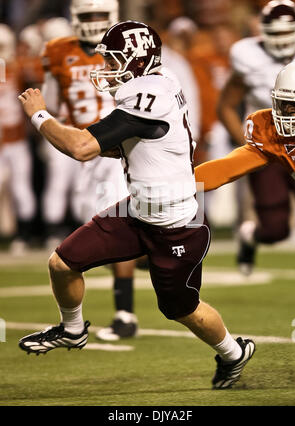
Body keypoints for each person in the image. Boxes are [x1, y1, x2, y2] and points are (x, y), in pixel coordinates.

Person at [18, 20, 255, 390]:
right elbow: (129, 141)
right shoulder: (156, 84)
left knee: (180, 309)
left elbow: (82, 149)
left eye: (113, 62)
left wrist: (40, 115)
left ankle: (233, 353)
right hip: (137, 210)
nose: (107, 69)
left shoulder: (148, 95)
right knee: (62, 263)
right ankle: (73, 328)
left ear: (136, 61)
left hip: (176, 223)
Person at [40, 0, 138, 341]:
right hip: (82, 148)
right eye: (87, 16)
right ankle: (157, 251)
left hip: (113, 145)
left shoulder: (125, 42)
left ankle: (125, 314)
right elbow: (52, 102)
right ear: (74, 18)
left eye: (100, 15)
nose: (94, 22)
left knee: (113, 229)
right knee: (107, 232)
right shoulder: (57, 51)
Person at [218, 0, 295, 275]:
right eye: (274, 33)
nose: (281, 40)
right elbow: (226, 106)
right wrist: (249, 144)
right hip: (270, 145)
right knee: (276, 229)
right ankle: (250, 236)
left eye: (286, 33)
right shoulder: (247, 55)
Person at [0, 23, 37, 255]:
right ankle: (11, 233)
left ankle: (23, 234)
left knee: (22, 188)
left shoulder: (20, 67)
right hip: (5, 141)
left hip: (17, 140)